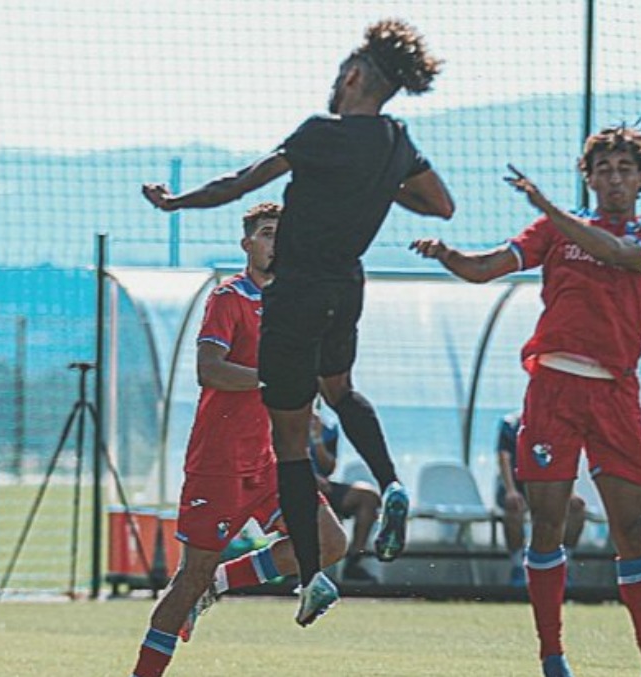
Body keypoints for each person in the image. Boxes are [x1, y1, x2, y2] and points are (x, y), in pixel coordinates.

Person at [142, 19, 455, 611]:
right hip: (348, 285)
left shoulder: (320, 134)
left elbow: (240, 184)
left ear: (355, 76)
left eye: (340, 75)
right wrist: (379, 184)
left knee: (289, 439)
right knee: (339, 390)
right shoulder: (395, 140)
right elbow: (441, 205)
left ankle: (311, 578)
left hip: (299, 290)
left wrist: (175, 201)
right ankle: (391, 482)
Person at [411, 124, 641, 677]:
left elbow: (619, 253)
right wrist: (447, 254)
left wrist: (548, 206)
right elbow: (485, 268)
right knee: (547, 521)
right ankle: (552, 656)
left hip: (614, 392)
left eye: (624, 169)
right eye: (602, 169)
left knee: (631, 526)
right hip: (553, 390)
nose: (612, 178)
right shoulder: (554, 231)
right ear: (588, 177)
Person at [130, 204, 348, 677]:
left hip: (270, 461)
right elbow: (210, 370)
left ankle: (221, 582)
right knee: (188, 581)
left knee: (330, 541)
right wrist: (272, 379)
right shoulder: (229, 298)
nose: (278, 243)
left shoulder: (295, 305)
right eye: (268, 234)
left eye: (285, 235)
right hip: (219, 464)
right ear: (248, 244)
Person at [496, 411, 586, 587]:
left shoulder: (559, 423)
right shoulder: (511, 423)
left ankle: (564, 564)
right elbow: (503, 457)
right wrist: (511, 490)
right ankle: (518, 566)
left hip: (548, 485)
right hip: (520, 485)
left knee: (576, 508)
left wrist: (570, 493)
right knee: (514, 509)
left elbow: (564, 460)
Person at [309, 401, 380, 583]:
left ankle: (353, 562)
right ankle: (295, 568)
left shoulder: (328, 428)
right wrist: (310, 478)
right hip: (291, 486)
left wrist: (317, 438)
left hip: (323, 488)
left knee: (368, 497)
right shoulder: (281, 422)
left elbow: (329, 468)